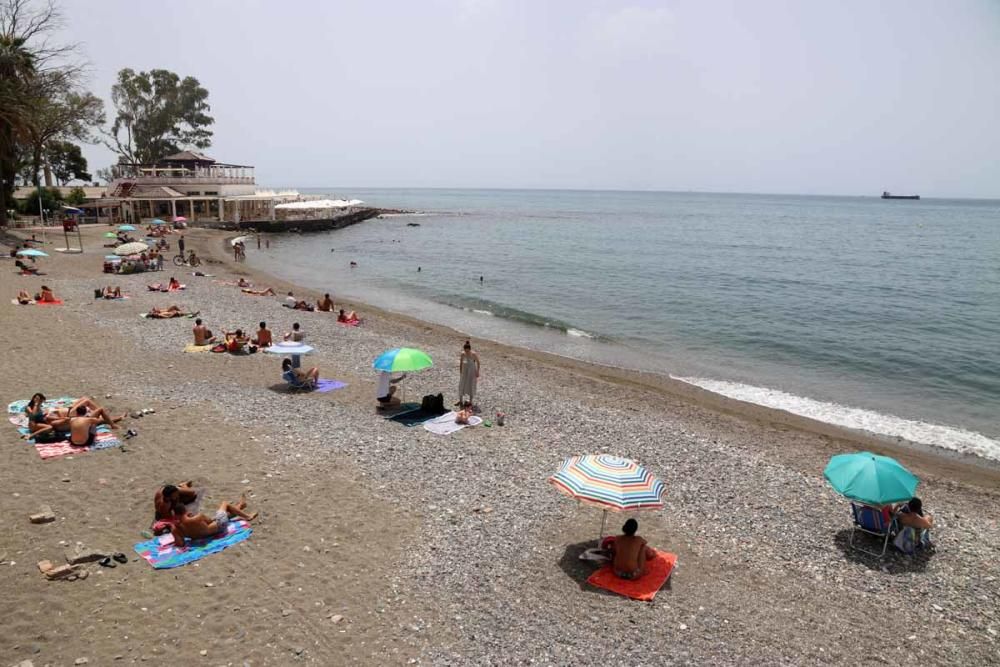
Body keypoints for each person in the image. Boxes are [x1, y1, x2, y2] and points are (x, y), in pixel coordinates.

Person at [171, 495, 257, 543]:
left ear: (176, 514)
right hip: (219, 528)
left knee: (225, 515)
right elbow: (210, 521)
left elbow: (180, 543)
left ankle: (240, 506)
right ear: (185, 510)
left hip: (202, 536)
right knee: (225, 504)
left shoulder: (176, 528)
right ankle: (248, 516)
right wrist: (193, 517)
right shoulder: (197, 518)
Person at [457, 340, 480, 407]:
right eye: (465, 350)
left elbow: (478, 363)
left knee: (471, 385)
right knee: (461, 384)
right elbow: (461, 363)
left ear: (470, 349)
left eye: (467, 351)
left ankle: (470, 401)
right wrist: (460, 371)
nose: (466, 352)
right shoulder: (463, 354)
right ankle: (460, 400)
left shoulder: (473, 354)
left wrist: (477, 371)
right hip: (464, 371)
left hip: (472, 371)